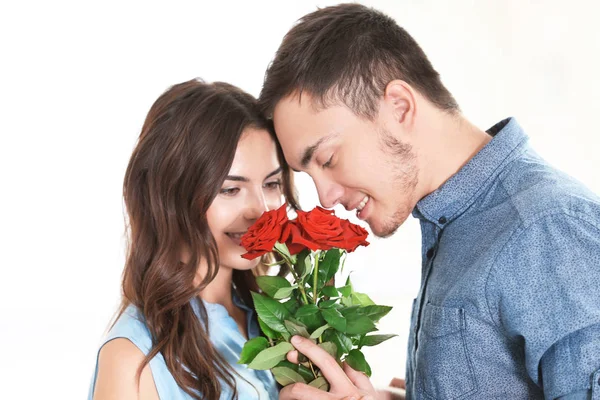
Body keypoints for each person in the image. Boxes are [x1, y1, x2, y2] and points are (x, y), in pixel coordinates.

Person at [258, 3, 600, 399]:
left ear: (399, 106)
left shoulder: (548, 227)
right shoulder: (455, 223)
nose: (326, 197)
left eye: (328, 159)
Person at [88, 79, 299, 400]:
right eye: (230, 189)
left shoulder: (272, 324)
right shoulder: (132, 361)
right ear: (170, 196)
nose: (262, 210)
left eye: (271, 184)